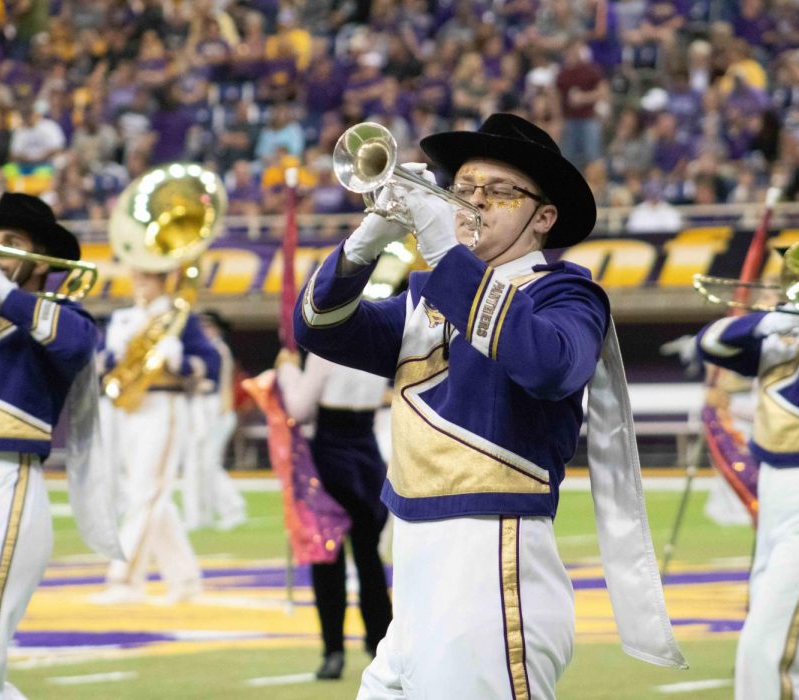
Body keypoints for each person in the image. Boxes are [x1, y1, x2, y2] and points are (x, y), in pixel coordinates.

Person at [294, 113, 685, 697]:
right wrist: (369, 236)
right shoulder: (421, 298)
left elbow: (550, 366)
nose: (475, 201)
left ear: (542, 218)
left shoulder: (566, 291)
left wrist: (445, 249)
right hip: (416, 566)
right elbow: (318, 327)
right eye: (464, 188)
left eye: (500, 192)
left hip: (494, 563)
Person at [0, 193, 105, 699]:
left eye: (12, 244)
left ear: (41, 263)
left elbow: (79, 344)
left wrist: (0, 294)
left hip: (0, 486)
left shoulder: (56, 315)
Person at [696, 195, 799, 699]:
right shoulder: (793, 323)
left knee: (766, 653)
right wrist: (767, 322)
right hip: (779, 496)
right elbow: (710, 343)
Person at [92, 268, 221, 604]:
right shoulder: (123, 319)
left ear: (163, 281)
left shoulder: (180, 319)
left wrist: (178, 359)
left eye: (146, 279)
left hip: (165, 404)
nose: (139, 284)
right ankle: (186, 579)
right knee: (147, 494)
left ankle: (124, 578)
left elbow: (210, 362)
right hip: (126, 408)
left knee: (147, 492)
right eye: (137, 278)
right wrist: (115, 355)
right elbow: (99, 363)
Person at [275, 347, 393, 680]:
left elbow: (298, 409)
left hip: (330, 459)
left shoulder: (327, 353)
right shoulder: (374, 350)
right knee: (369, 559)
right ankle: (380, 644)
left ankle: (333, 652)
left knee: (327, 559)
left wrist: (287, 371)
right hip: (368, 459)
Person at [181, 311, 248, 532]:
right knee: (200, 465)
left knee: (208, 464)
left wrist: (222, 410)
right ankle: (202, 514)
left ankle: (233, 508)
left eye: (208, 326)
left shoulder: (218, 349)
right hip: (206, 408)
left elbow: (224, 382)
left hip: (214, 409)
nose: (204, 330)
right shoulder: (209, 349)